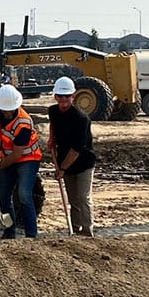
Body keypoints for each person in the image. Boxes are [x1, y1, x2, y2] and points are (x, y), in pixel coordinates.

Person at [0, 83, 43, 239]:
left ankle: (31, 235)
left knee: (24, 195)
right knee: (3, 196)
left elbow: (17, 154)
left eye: (9, 110)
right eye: (3, 109)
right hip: (8, 156)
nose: (6, 113)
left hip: (28, 158)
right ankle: (9, 232)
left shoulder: (24, 123)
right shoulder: (0, 104)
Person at [47, 76, 96, 236]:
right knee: (73, 199)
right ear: (55, 96)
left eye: (67, 96)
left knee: (82, 197)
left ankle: (87, 230)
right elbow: (53, 124)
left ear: (73, 96)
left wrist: (62, 169)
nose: (63, 100)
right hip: (63, 158)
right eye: (60, 96)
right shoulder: (53, 110)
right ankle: (75, 228)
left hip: (83, 162)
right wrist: (51, 138)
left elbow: (77, 149)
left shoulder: (81, 118)